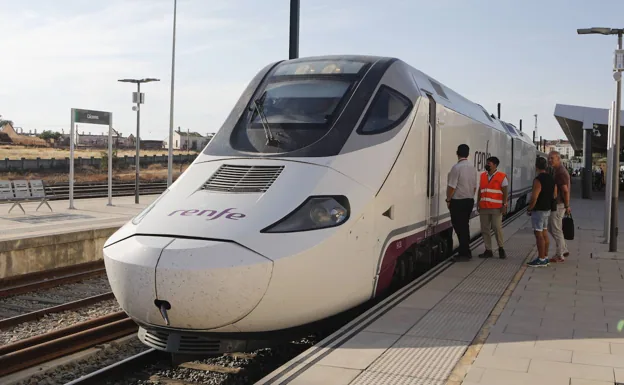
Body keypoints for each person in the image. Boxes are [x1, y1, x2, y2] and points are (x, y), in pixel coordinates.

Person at [446, 144, 478, 261]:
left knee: (459, 227)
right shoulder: (472, 167)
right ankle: (466, 251)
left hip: (458, 202)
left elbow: (452, 187)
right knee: (465, 226)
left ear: (457, 153)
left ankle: (464, 253)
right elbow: (475, 187)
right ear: (468, 154)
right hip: (469, 201)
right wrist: (469, 196)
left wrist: (448, 199)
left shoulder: (456, 168)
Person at [527, 156, 557, 267]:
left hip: (539, 210)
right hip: (547, 209)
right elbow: (555, 194)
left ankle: (540, 259)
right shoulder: (551, 178)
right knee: (545, 233)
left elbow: (534, 197)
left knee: (538, 234)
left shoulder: (538, 180)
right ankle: (545, 257)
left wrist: (530, 208)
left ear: (536, 167)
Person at [476, 156, 508, 259]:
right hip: (484, 207)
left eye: (489, 163)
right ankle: (488, 250)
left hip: (496, 207)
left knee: (496, 227)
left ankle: (501, 248)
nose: (487, 164)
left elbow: (505, 192)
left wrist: (504, 205)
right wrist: (478, 202)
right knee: (485, 229)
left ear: (495, 165)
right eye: (487, 163)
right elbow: (480, 190)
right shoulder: (482, 176)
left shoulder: (502, 176)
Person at [548, 151, 571, 263]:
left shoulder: (560, 173)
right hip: (559, 204)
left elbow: (565, 191)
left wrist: (567, 206)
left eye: (552, 158)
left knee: (556, 229)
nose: (550, 160)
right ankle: (564, 248)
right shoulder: (558, 171)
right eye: (549, 158)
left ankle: (559, 255)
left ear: (558, 158)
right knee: (552, 227)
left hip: (559, 205)